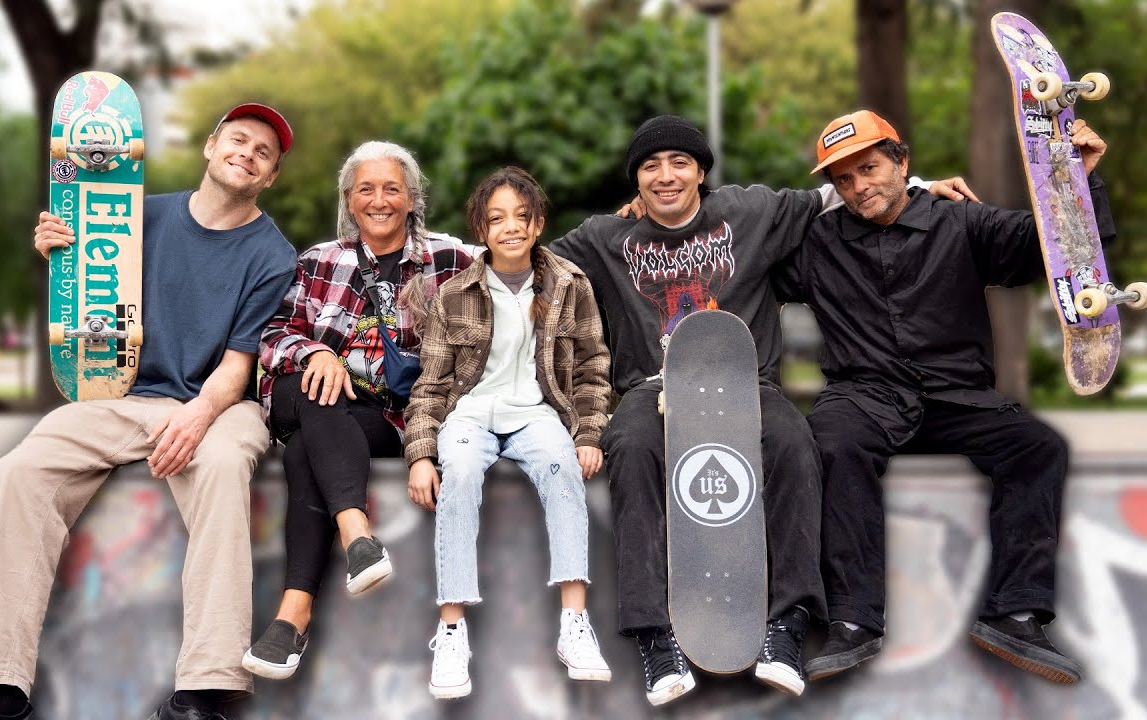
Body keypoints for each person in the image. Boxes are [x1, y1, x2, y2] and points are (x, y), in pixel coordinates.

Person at [548, 114, 975, 705]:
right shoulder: (604, 239)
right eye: (650, 167)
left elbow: (841, 189)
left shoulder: (750, 211)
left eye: (679, 163)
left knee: (799, 446)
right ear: (636, 181)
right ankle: (653, 634)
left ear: (701, 172)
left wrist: (921, 186)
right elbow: (520, 255)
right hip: (653, 386)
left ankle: (789, 623)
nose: (665, 177)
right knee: (631, 447)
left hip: (746, 384)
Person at [0, 103, 299, 720]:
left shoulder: (273, 255)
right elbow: (82, 291)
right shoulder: (136, 216)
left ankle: (203, 689)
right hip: (127, 396)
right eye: (238, 140)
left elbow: (239, 367)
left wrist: (196, 418)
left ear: (269, 177)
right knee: (21, 471)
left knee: (220, 468)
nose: (247, 153)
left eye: (263, 152)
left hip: (223, 403)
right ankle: (2, 684)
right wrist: (56, 248)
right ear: (211, 147)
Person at [780, 110, 1111, 684]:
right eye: (844, 180)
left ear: (901, 162)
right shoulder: (816, 243)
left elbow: (1055, 253)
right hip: (865, 395)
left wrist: (1077, 180)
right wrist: (647, 216)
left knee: (1039, 447)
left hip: (958, 396)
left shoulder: (961, 222)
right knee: (830, 441)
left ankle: (1015, 614)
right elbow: (732, 254)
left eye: (870, 168)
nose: (860, 187)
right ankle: (853, 622)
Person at [245, 141, 476, 680]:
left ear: (412, 198)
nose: (379, 200)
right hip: (303, 394)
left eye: (392, 188)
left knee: (309, 447)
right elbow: (273, 335)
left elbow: (524, 258)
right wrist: (317, 352)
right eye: (365, 189)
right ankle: (356, 533)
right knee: (314, 386)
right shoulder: (318, 260)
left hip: (384, 415)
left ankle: (293, 615)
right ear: (349, 200)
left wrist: (627, 217)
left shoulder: (454, 259)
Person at [405, 166, 614, 699]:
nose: (511, 228)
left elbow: (592, 367)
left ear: (539, 223)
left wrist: (588, 434)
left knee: (561, 466)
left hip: (537, 412)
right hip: (471, 412)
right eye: (497, 219)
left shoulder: (570, 284)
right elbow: (431, 385)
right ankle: (452, 629)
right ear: (481, 229)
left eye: (522, 217)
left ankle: (574, 622)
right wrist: (421, 454)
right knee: (462, 476)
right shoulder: (455, 294)